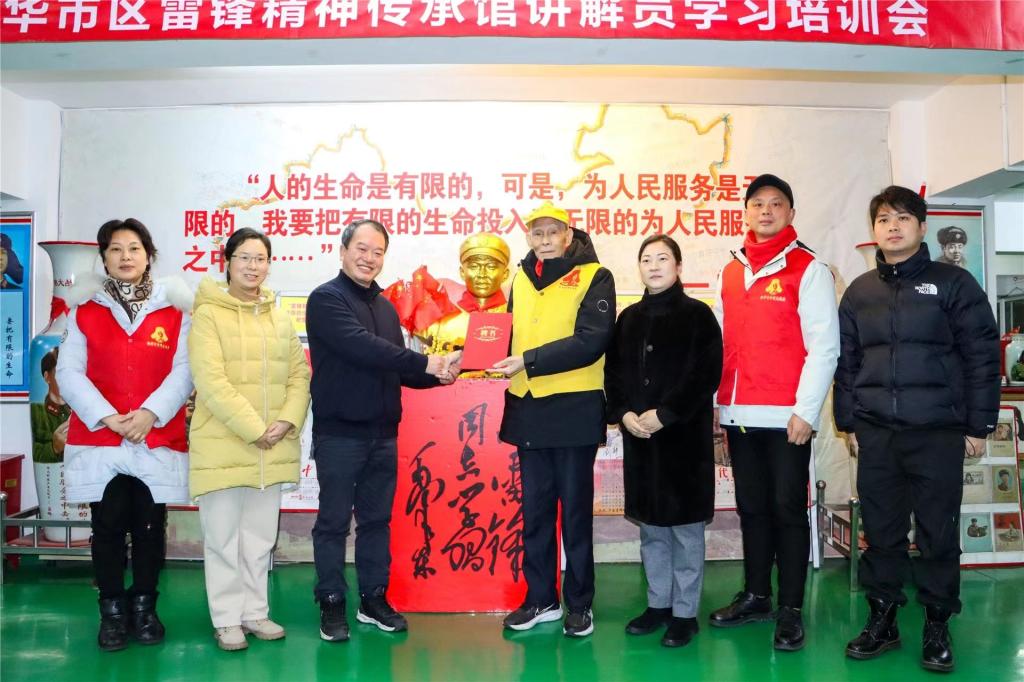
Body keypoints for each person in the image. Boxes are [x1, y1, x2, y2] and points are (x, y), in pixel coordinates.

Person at [834, 185, 1000, 673]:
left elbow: (981, 355)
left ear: (922, 226)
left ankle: (937, 624)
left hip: (938, 432)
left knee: (937, 534)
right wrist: (849, 422)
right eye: (884, 219)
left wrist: (979, 424)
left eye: (903, 218)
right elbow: (847, 363)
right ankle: (882, 620)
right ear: (874, 230)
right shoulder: (860, 292)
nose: (893, 227)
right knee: (881, 533)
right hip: (878, 433)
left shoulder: (954, 284)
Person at [306, 219, 459, 643]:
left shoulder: (387, 308)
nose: (369, 258)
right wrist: (425, 362)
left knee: (376, 522)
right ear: (343, 251)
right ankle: (331, 600)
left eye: (377, 252)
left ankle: (373, 599)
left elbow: (396, 367)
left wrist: (439, 375)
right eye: (361, 248)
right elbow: (363, 347)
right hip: (340, 435)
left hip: (383, 435)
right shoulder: (326, 299)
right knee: (333, 523)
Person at [709, 174, 839, 652]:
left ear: (790, 213)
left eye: (776, 204)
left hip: (788, 417)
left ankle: (791, 608)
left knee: (787, 508)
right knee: (752, 509)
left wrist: (806, 411)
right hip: (739, 411)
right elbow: (720, 344)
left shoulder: (809, 268)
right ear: (745, 212)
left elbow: (825, 346)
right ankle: (756, 595)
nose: (766, 211)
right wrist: (717, 406)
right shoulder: (730, 270)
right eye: (757, 204)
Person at [56, 218, 193, 652]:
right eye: (115, 249)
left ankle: (145, 608)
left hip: (155, 435)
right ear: (104, 258)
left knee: (150, 526)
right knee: (108, 526)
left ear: (148, 256)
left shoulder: (175, 310)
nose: (125, 257)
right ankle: (112, 612)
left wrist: (151, 412)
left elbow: (185, 370)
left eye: (134, 248)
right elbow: (68, 372)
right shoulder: (84, 310)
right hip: (102, 438)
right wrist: (108, 417)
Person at [491, 201, 616, 638]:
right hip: (528, 409)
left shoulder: (595, 276)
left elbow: (592, 340)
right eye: (537, 233)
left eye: (552, 233)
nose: (544, 241)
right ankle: (541, 598)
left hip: (573, 410)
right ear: (529, 237)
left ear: (568, 235)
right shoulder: (522, 278)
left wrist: (528, 360)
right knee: (536, 512)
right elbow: (506, 333)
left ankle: (579, 603)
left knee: (575, 515)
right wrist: (467, 354)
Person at [188, 228, 311, 651]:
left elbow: (299, 376)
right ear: (227, 262)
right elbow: (211, 382)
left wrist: (287, 420)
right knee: (222, 539)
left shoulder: (279, 317)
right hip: (223, 444)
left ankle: (255, 612)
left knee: (259, 538)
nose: (253, 266)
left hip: (270, 447)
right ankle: (226, 619)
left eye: (260, 258)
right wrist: (256, 429)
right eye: (244, 257)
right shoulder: (208, 314)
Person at [604, 234, 722, 648]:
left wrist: (665, 414)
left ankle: (685, 613)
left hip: (683, 441)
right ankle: (658, 604)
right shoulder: (628, 319)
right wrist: (623, 413)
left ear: (678, 266)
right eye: (646, 259)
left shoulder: (698, 315)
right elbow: (613, 373)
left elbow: (706, 375)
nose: (653, 266)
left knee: (686, 530)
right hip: (640, 439)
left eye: (662, 259)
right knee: (652, 529)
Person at [417, 233, 511, 355]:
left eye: (491, 267)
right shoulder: (440, 320)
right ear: (462, 272)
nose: (482, 274)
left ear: (505, 274)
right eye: (474, 266)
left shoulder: (518, 319)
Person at [29, 348, 71, 464]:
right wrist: (54, 448)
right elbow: (31, 449)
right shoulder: (37, 412)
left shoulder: (82, 411)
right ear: (47, 376)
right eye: (60, 373)